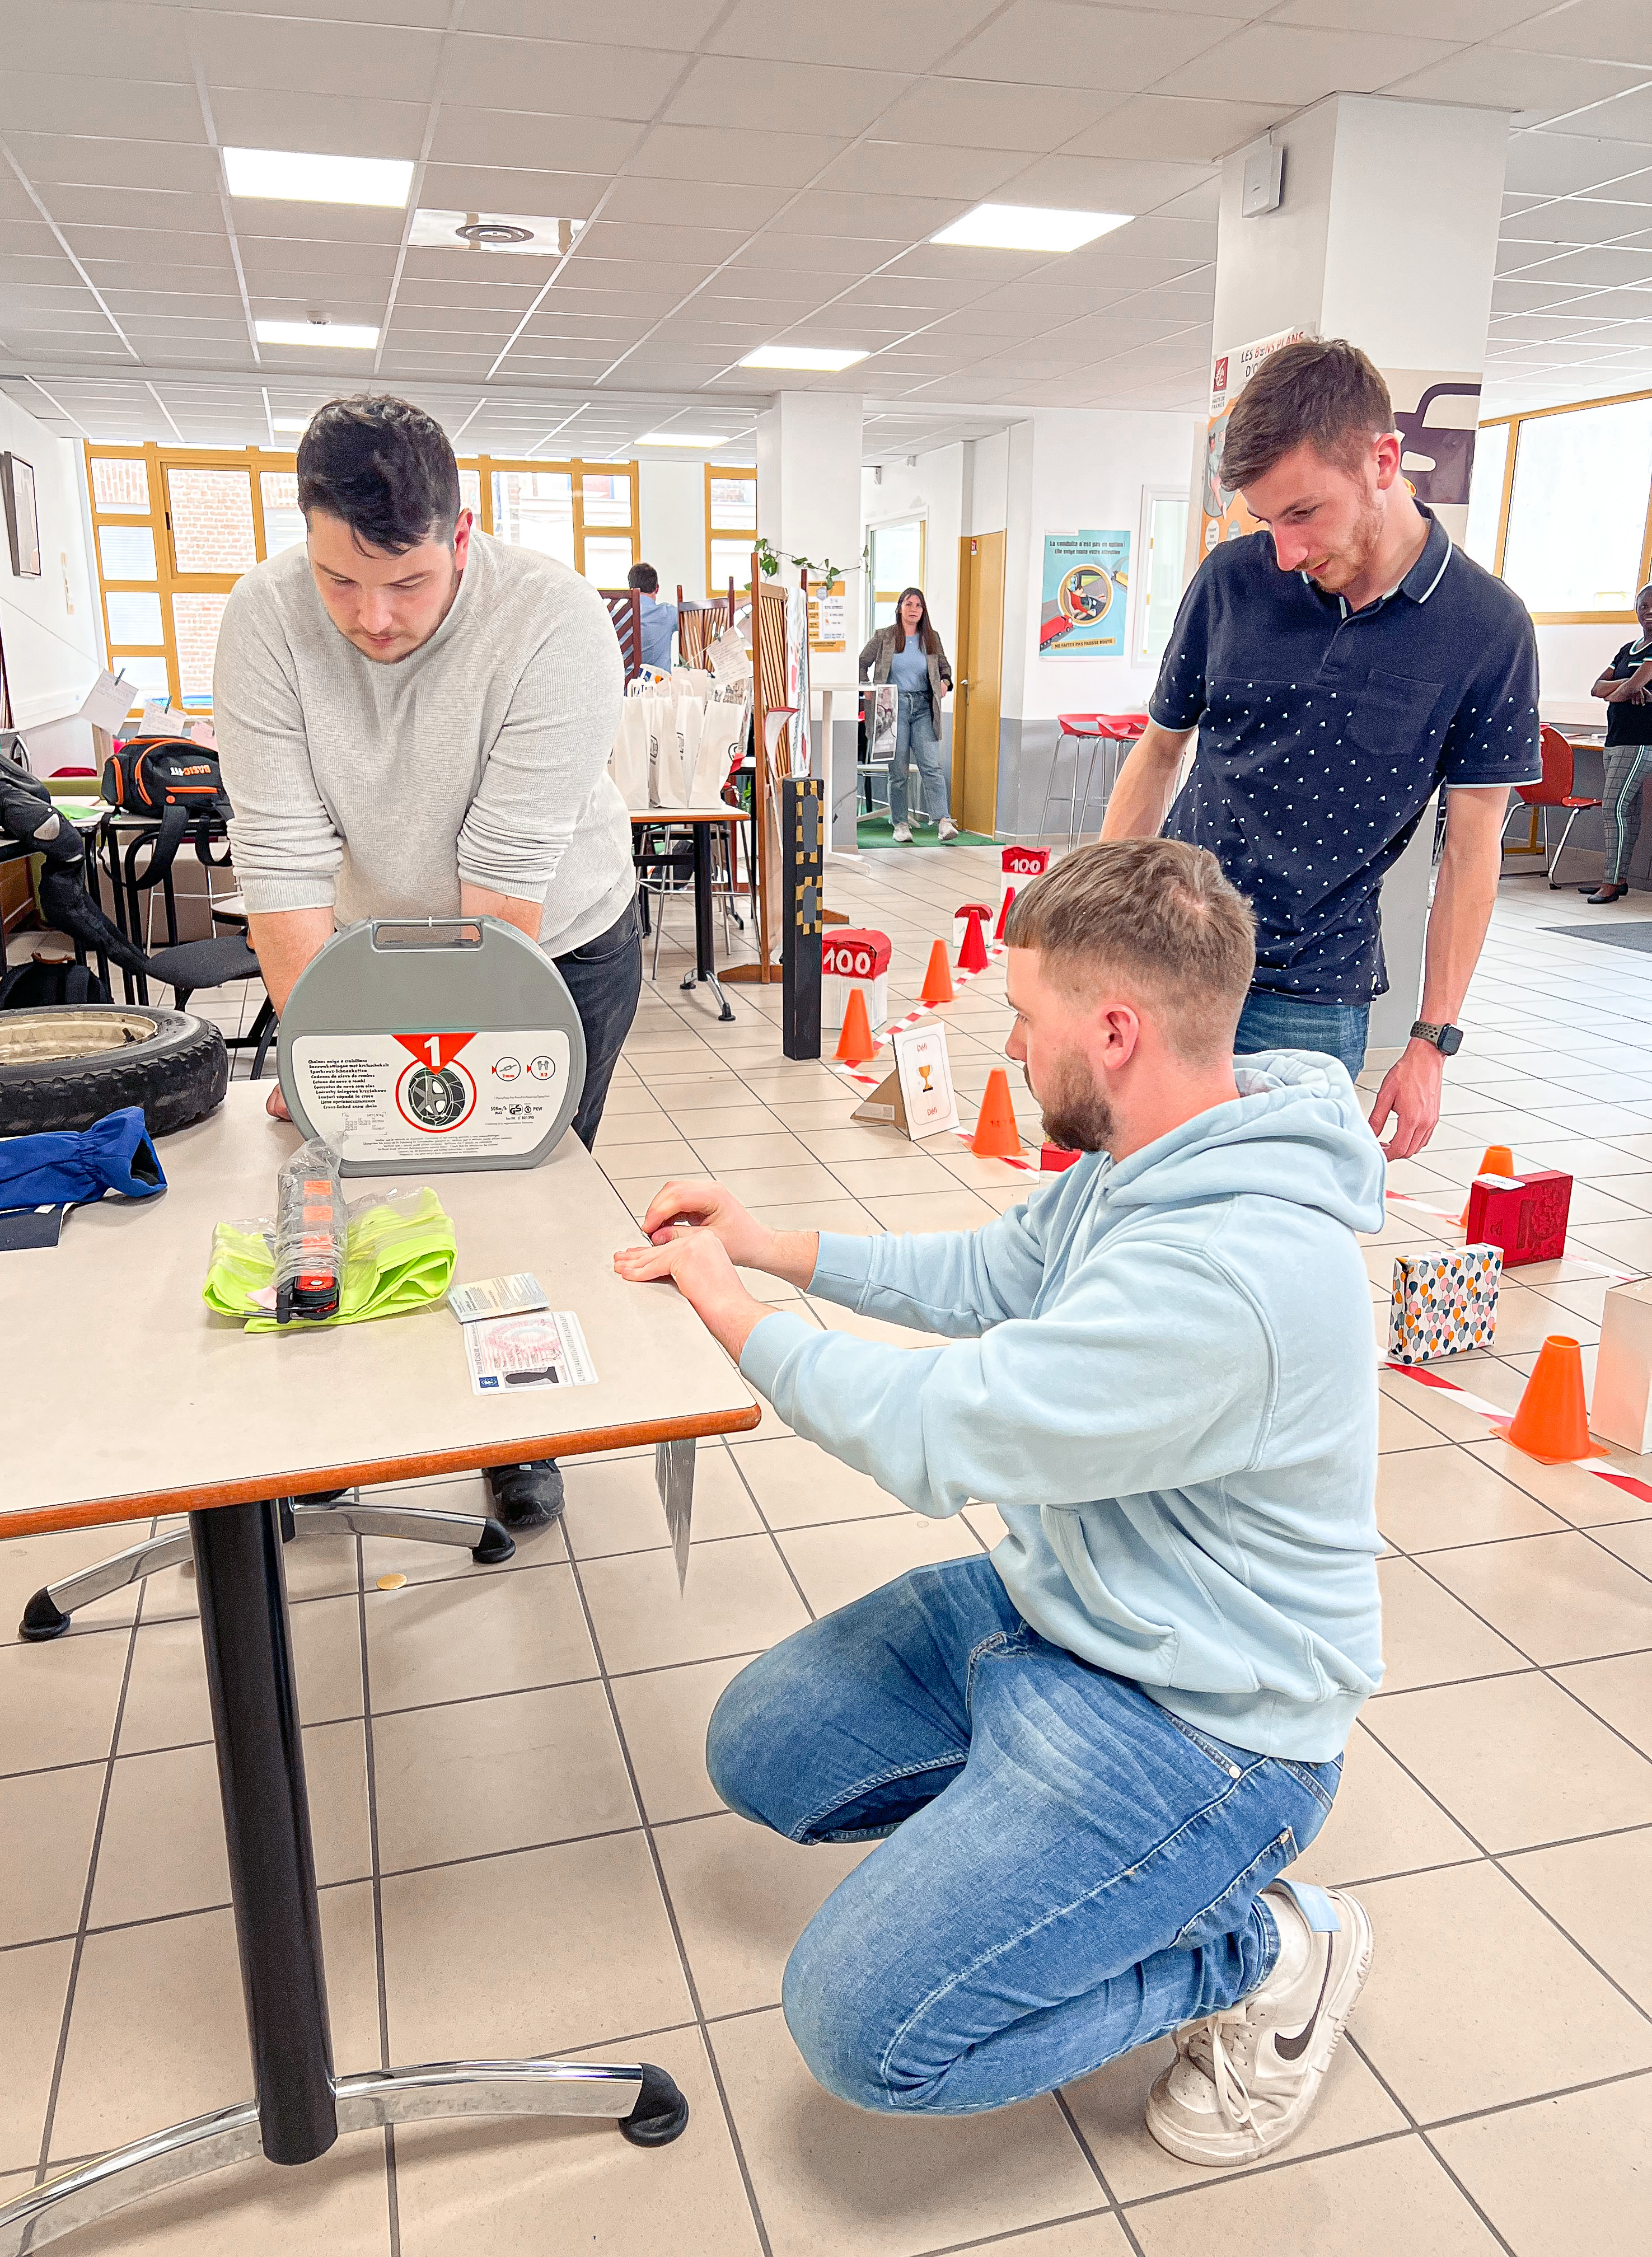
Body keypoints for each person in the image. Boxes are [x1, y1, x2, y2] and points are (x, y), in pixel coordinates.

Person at [615, 837, 1384, 2161]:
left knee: (868, 2031)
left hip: (1202, 1722)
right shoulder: (1154, 1149)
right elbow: (988, 1274)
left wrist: (730, 1312)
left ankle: (1260, 1956)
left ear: (1118, 1031)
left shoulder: (1227, 1276)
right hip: (1066, 1607)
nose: (1013, 1048)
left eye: (1026, 1022)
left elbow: (936, 1430)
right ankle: (1070, 1871)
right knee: (765, 1745)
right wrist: (761, 1241)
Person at [215, 394, 639, 1533]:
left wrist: (410, 1086)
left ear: (463, 536)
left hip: (550, 945)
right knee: (353, 1172)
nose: (373, 617)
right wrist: (326, 1070)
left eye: (405, 582)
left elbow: (495, 913)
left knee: (511, 1190)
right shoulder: (262, 618)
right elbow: (284, 864)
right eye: (339, 581)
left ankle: (516, 1432)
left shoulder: (552, 621)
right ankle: (353, 1421)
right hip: (361, 944)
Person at [1101, 338, 1541, 1160]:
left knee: (1275, 1236)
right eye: (1268, 521)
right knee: (1133, 1209)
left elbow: (1474, 846)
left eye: (1303, 513)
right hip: (1169, 961)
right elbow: (1160, 754)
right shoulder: (1232, 580)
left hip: (1312, 993)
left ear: (1384, 461)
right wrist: (1088, 938)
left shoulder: (1487, 628)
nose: (1286, 552)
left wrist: (1432, 1042)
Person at [858, 587, 957, 844]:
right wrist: (867, 689)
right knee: (899, 771)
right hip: (892, 707)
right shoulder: (885, 637)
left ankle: (943, 821)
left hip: (924, 706)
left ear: (923, 611)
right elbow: (862, 662)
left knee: (931, 766)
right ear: (900, 607)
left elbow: (944, 667)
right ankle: (900, 823)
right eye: (909, 604)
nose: (914, 610)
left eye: (919, 606)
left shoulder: (931, 638)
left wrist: (946, 681)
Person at [1585, 580, 1652, 905]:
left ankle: (1612, 880)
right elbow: (1598, 688)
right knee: (1629, 809)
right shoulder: (1629, 650)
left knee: (1614, 806)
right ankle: (1618, 877)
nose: (1649, 612)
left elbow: (1617, 692)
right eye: (1644, 606)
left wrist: (1622, 689)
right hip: (1616, 738)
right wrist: (1630, 685)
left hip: (1642, 741)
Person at [629, 563, 678, 671]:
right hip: (659, 684)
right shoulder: (669, 614)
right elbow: (693, 625)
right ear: (657, 589)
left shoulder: (616, 616)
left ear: (630, 589)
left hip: (625, 685)